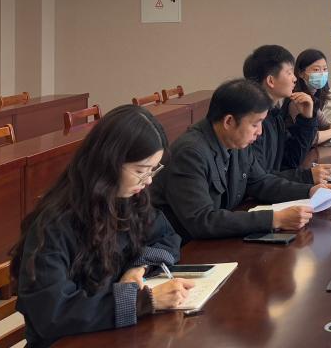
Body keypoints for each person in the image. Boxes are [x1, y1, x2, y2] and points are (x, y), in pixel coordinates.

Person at [12, 105, 195, 348]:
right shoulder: (54, 224)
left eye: (153, 170)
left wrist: (138, 267)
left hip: (111, 334)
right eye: (141, 171)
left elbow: (166, 236)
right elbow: (52, 313)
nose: (148, 180)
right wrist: (143, 301)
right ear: (110, 162)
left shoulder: (128, 199)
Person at [151, 79, 326, 243]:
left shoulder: (235, 141)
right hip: (182, 248)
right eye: (255, 124)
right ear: (229, 121)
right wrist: (274, 219)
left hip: (216, 241)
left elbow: (260, 182)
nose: (260, 132)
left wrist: (309, 191)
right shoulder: (190, 153)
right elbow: (202, 220)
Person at [242, 44, 331, 184]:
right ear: (271, 81)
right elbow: (258, 179)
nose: (294, 79)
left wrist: (306, 119)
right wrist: (307, 177)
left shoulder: (274, 115)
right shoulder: (253, 120)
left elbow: (291, 161)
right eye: (289, 73)